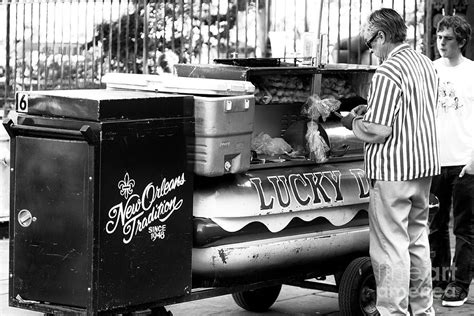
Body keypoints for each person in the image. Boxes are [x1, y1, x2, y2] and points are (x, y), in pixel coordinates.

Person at [341, 8, 440, 315]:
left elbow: (378, 130)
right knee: (417, 241)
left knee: (389, 247)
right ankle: (424, 310)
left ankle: (393, 311)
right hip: (423, 167)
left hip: (393, 171)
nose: (370, 50)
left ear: (381, 36)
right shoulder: (425, 63)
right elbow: (412, 112)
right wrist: (370, 113)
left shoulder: (387, 71)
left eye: (370, 43)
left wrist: (351, 123)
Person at [429, 14, 474, 307]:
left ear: (462, 42)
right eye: (439, 36)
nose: (441, 42)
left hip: (465, 162)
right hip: (434, 160)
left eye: (447, 38)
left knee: (464, 228)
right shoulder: (430, 70)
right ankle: (440, 277)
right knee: (434, 225)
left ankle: (460, 284)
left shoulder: (472, 72)